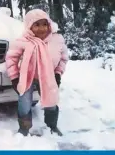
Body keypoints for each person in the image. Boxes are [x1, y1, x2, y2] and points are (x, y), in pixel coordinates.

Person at [5, 9, 68, 137]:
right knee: (25, 103)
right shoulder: (23, 41)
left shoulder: (56, 40)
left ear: (49, 24)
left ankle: (52, 125)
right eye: (37, 25)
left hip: (48, 77)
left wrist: (57, 73)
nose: (42, 29)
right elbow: (11, 59)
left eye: (44, 24)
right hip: (27, 76)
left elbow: (63, 58)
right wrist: (15, 78)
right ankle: (24, 128)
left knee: (51, 102)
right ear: (29, 26)